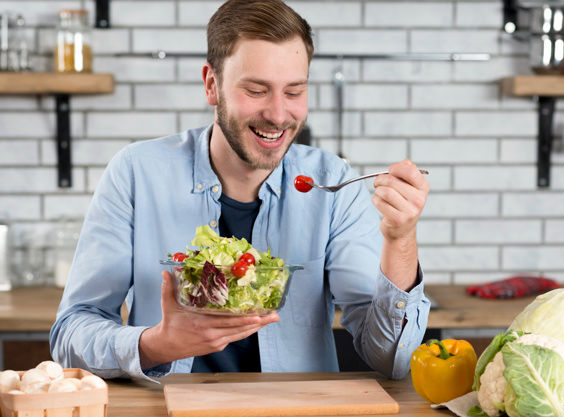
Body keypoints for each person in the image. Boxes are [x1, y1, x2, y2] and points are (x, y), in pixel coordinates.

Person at [50, 0, 431, 382]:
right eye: (257, 90)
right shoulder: (136, 173)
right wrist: (157, 344)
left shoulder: (333, 184)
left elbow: (392, 360)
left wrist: (400, 239)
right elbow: (70, 334)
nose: (279, 115)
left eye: (294, 92)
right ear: (211, 85)